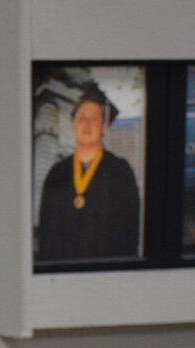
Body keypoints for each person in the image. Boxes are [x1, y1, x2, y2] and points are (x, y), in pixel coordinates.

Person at [36, 87, 141, 262]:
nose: (87, 124)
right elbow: (47, 231)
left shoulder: (120, 171)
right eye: (82, 118)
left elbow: (129, 232)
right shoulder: (57, 173)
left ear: (103, 127)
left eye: (94, 119)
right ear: (73, 124)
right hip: (65, 273)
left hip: (105, 273)